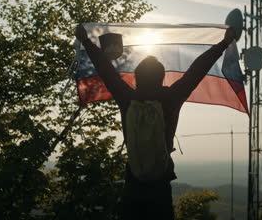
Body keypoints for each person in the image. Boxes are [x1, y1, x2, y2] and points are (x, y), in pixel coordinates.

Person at [75, 24, 238, 220]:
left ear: (136, 78)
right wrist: (224, 43)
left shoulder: (127, 98)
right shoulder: (171, 98)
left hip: (133, 186)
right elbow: (197, 69)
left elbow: (105, 69)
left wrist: (86, 41)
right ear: (162, 78)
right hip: (160, 186)